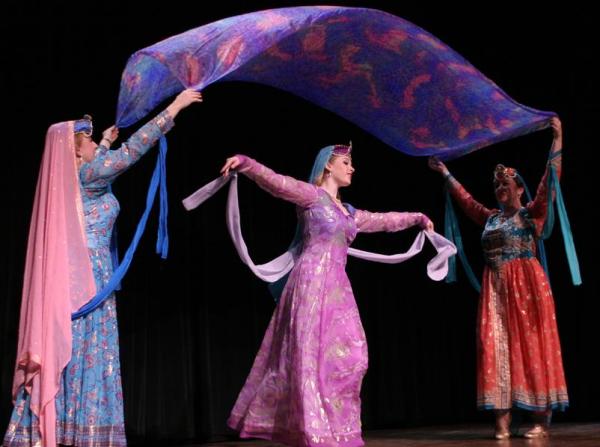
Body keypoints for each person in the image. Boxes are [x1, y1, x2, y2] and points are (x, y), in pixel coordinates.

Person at [4, 89, 202, 447]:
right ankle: (79, 431)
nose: (96, 143)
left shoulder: (76, 178)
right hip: (88, 276)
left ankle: (68, 427)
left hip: (79, 275)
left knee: (80, 348)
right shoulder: (91, 175)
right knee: (84, 348)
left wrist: (105, 142)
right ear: (75, 150)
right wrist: (174, 107)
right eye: (89, 140)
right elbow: (132, 153)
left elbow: (107, 159)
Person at [220, 144, 433, 447]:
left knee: (353, 356)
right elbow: (276, 181)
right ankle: (312, 430)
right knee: (307, 358)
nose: (352, 168)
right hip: (309, 283)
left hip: (337, 291)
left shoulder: (349, 213)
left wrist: (417, 218)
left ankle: (336, 426)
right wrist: (246, 163)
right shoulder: (311, 196)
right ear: (328, 166)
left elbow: (383, 220)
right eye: (346, 162)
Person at [428, 117, 568, 439]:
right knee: (495, 347)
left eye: (506, 184)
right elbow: (466, 202)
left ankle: (539, 420)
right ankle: (502, 422)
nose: (500, 189)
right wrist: (445, 173)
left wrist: (557, 139)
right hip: (495, 290)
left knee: (531, 346)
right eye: (497, 186)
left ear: (520, 187)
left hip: (528, 289)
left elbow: (551, 180)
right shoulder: (489, 219)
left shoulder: (532, 213)